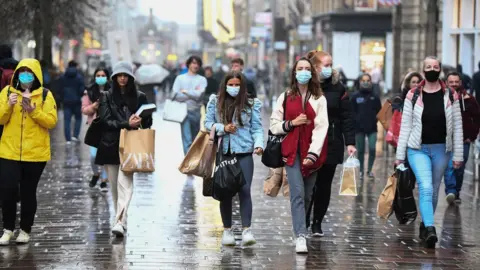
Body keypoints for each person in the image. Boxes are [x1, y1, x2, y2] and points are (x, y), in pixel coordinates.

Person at [395, 56, 463, 249]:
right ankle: (432, 228)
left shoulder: (450, 95)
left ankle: (425, 224)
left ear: (440, 69)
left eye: (435, 66)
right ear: (423, 70)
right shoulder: (413, 95)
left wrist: (458, 155)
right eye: (428, 67)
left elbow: (457, 127)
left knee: (433, 189)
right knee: (425, 187)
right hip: (417, 149)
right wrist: (400, 155)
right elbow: (405, 127)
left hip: (442, 149)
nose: (432, 69)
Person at [270, 57, 329, 254]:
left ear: (312, 73)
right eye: (299, 69)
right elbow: (274, 125)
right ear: (294, 73)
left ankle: (301, 226)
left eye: (306, 69)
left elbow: (322, 127)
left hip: (312, 154)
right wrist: (291, 123)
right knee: (297, 192)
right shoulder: (285, 96)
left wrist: (313, 154)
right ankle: (300, 236)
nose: (303, 72)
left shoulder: (319, 99)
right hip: (291, 153)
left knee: (308, 194)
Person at [0, 58, 58, 245]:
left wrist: (34, 112)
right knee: (7, 190)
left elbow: (51, 121)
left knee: (28, 191)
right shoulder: (7, 92)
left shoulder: (45, 96)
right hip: (9, 151)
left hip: (35, 154)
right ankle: (8, 229)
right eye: (22, 72)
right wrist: (8, 105)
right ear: (17, 75)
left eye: (29, 73)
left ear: (36, 75)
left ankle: (25, 229)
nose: (25, 76)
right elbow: (1, 119)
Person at [204, 71, 264, 247]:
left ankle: (246, 230)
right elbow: (207, 124)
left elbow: (257, 128)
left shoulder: (252, 104)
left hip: (245, 151)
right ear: (225, 85)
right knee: (225, 191)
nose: (234, 88)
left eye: (237, 84)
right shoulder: (215, 102)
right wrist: (223, 127)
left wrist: (259, 145)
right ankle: (227, 230)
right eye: (231, 84)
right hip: (225, 152)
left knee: (245, 190)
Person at [95, 61, 152, 237]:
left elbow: (148, 123)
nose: (122, 78)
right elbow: (105, 121)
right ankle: (120, 218)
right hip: (110, 144)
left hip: (132, 143)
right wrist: (126, 123)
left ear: (130, 77)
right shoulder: (106, 96)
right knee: (114, 186)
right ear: (114, 77)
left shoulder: (140, 96)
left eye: (125, 75)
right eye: (119, 75)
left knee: (125, 184)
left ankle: (120, 221)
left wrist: (143, 118)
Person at [305, 51, 356, 236]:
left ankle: (317, 222)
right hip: (309, 142)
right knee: (309, 183)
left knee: (324, 185)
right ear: (315, 67)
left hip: (332, 141)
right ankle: (303, 218)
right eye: (325, 65)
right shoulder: (305, 87)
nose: (329, 68)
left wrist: (350, 142)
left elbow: (346, 116)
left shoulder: (338, 88)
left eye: (330, 65)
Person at [443, 72, 480, 204]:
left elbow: (477, 118)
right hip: (447, 139)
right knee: (449, 166)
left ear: (460, 83)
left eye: (456, 82)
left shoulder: (469, 99)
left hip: (464, 139)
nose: (454, 84)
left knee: (460, 166)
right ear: (446, 83)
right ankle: (451, 191)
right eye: (451, 82)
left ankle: (456, 191)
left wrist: (472, 135)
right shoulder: (443, 98)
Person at [82, 68, 110, 192]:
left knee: (105, 155)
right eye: (98, 75)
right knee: (93, 155)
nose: (100, 77)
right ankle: (95, 173)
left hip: (109, 127)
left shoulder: (112, 90)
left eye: (103, 75)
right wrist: (93, 106)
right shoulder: (89, 91)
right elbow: (84, 109)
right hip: (94, 127)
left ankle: (104, 180)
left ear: (107, 77)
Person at [172, 56, 207, 155]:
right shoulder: (180, 78)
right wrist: (193, 94)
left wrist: (185, 92)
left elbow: (200, 95)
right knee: (187, 139)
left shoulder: (202, 79)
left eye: (197, 63)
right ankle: (188, 163)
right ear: (188, 64)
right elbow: (175, 95)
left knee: (195, 138)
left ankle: (194, 160)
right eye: (193, 63)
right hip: (183, 112)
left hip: (196, 112)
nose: (195, 65)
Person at [350, 73, 381, 178]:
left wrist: (375, 120)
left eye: (368, 80)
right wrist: (355, 122)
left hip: (372, 128)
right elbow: (351, 112)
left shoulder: (375, 97)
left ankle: (369, 170)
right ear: (360, 82)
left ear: (371, 82)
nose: (366, 82)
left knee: (372, 148)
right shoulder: (355, 96)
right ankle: (361, 171)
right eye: (363, 80)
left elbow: (380, 112)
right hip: (359, 129)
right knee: (361, 150)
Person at [60, 60, 84, 144]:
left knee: (67, 120)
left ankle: (68, 139)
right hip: (77, 101)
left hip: (66, 101)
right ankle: (75, 136)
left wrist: (62, 98)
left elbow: (60, 89)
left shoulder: (63, 76)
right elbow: (81, 90)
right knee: (78, 118)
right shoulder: (79, 77)